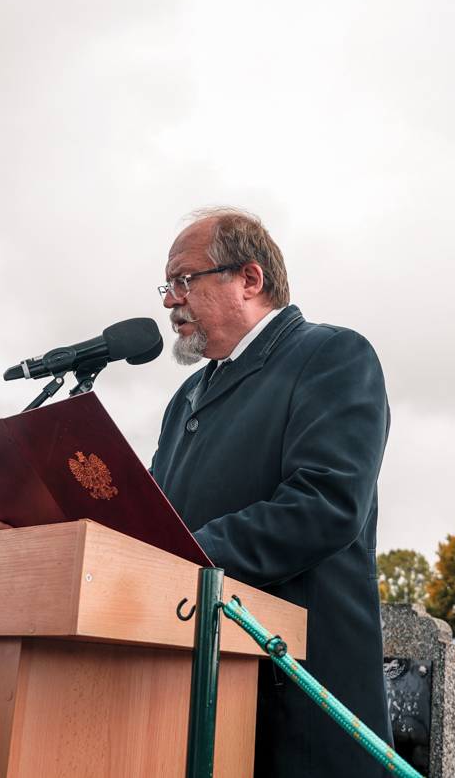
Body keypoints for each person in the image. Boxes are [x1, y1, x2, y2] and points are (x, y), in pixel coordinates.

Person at [150, 208, 392, 777]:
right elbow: (158, 517)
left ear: (249, 280)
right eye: (168, 286)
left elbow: (324, 503)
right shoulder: (185, 396)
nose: (169, 301)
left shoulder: (331, 355)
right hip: (191, 689)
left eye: (185, 280)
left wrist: (183, 560)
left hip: (296, 698)